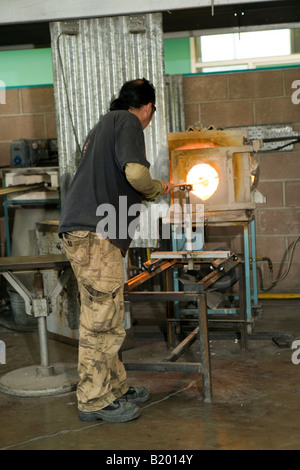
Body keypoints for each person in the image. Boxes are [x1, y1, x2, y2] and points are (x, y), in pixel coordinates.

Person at [59, 78, 174, 423]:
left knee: (107, 317)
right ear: (148, 107)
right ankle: (94, 400)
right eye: (151, 111)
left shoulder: (104, 124)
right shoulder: (127, 121)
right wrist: (156, 188)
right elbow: (136, 173)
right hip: (95, 234)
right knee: (100, 321)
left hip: (93, 234)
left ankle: (114, 387)